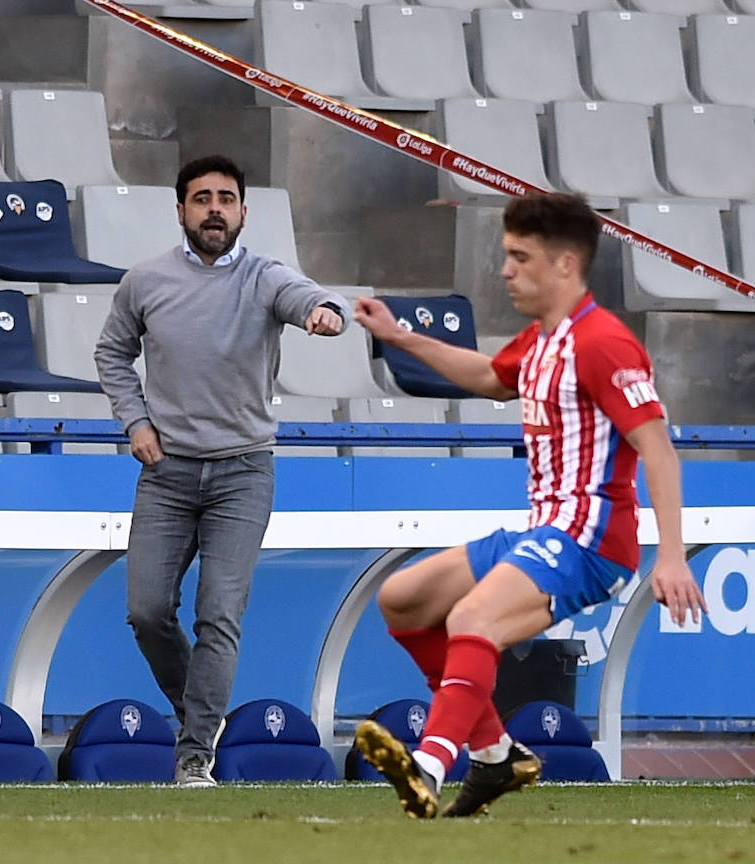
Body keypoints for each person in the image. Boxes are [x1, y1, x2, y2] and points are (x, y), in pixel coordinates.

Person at [350, 192, 707, 818]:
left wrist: (670, 557)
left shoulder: (604, 343)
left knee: (471, 619)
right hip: (545, 532)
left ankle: (429, 766)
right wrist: (398, 336)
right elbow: (490, 376)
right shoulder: (544, 339)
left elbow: (658, 449)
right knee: (401, 600)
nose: (506, 271)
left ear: (565, 265)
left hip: (590, 539)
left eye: (519, 257)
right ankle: (495, 759)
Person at [94, 155, 348, 786]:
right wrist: (136, 422)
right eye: (202, 198)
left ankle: (195, 754)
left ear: (242, 212)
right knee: (147, 610)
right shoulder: (146, 281)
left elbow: (309, 296)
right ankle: (199, 715)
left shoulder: (264, 277)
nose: (214, 209)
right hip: (168, 472)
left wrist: (326, 313)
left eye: (226, 199)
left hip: (242, 473)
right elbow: (112, 353)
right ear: (180, 210)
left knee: (218, 613)